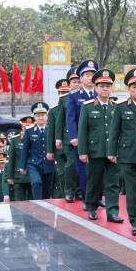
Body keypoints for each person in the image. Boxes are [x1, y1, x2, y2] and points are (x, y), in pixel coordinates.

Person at [78, 69, 123, 223]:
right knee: (93, 181)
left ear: (111, 88)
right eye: (102, 85)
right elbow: (83, 130)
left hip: (113, 151)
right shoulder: (88, 106)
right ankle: (91, 207)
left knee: (113, 183)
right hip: (94, 150)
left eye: (108, 86)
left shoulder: (117, 106)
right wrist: (82, 151)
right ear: (96, 88)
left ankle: (112, 211)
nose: (105, 89)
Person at [108, 68, 136, 235]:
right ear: (128, 89)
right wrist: (112, 152)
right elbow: (114, 131)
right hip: (127, 154)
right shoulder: (121, 107)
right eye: (135, 87)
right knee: (131, 188)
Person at [67, 60, 99, 199]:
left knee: (99, 170)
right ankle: (87, 197)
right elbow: (71, 118)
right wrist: (73, 136)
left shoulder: (101, 94)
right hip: (81, 138)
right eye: (87, 74)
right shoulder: (74, 95)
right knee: (83, 170)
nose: (90, 77)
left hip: (98, 138)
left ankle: (99, 197)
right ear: (81, 78)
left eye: (93, 74)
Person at [56, 68, 82, 202]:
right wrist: (58, 138)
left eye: (79, 82)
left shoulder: (87, 97)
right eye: (74, 82)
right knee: (71, 164)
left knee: (83, 165)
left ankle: (79, 190)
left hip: (85, 137)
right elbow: (60, 121)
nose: (77, 84)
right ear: (69, 83)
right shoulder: (64, 99)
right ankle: (69, 190)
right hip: (69, 138)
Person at [19, 102, 54, 199]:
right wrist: (22, 166)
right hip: (34, 164)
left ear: (47, 116)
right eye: (38, 116)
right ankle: (38, 203)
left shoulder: (51, 129)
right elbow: (25, 149)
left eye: (42, 115)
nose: (40, 118)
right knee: (36, 182)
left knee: (47, 189)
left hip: (48, 163)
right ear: (34, 117)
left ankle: (47, 209)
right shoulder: (30, 131)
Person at [47, 79, 71, 198]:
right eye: (62, 92)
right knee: (62, 172)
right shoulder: (53, 110)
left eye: (67, 92)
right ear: (58, 94)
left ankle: (73, 192)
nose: (64, 95)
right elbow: (51, 132)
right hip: (59, 149)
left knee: (73, 171)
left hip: (71, 145)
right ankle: (64, 194)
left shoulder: (73, 106)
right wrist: (50, 150)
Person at [7, 116, 35, 201]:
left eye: (29, 127)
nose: (26, 129)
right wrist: (10, 176)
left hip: (32, 174)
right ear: (22, 127)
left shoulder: (36, 138)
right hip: (19, 175)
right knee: (19, 202)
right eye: (25, 127)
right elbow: (11, 159)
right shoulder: (15, 140)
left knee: (34, 202)